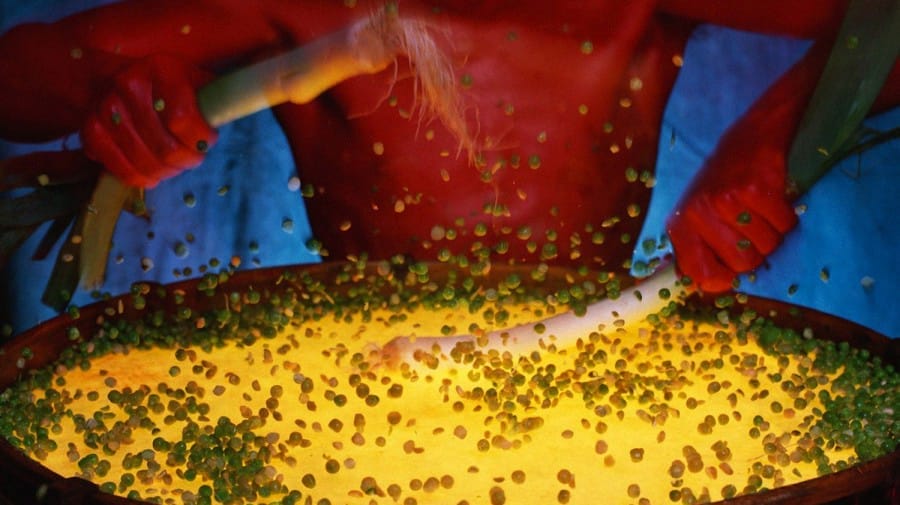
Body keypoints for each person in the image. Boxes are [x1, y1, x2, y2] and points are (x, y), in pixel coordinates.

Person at [0, 1, 898, 334]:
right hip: (354, 380)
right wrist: (124, 102)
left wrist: (772, 140)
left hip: (604, 372)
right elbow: (24, 79)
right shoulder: (302, 10)